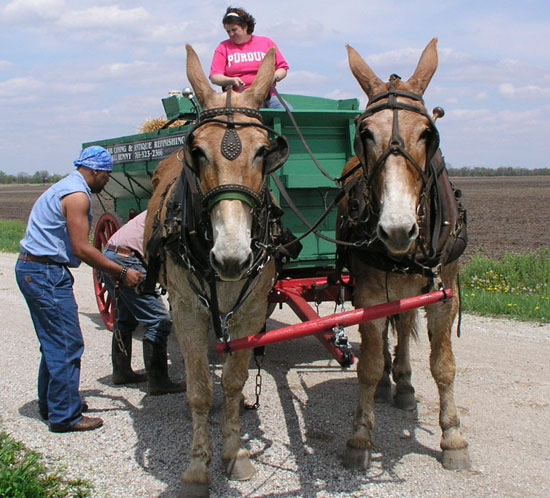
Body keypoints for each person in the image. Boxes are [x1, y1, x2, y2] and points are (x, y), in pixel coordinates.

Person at [15, 146, 143, 433]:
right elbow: (82, 248)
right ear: (95, 170)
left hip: (36, 269)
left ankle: (55, 403)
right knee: (66, 343)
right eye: (106, 175)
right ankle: (65, 416)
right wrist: (121, 270)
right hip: (44, 272)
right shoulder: (77, 196)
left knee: (54, 342)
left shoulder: (65, 187)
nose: (107, 181)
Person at [99, 210, 185, 395]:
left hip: (111, 255)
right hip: (128, 260)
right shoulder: (175, 212)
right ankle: (158, 382)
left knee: (126, 317)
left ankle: (121, 372)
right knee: (159, 320)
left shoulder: (160, 208)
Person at [209, 6, 290, 109]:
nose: (231, 34)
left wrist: (273, 77)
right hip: (236, 99)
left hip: (266, 97)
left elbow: (282, 68)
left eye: (234, 30)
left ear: (245, 27)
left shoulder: (266, 43)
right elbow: (215, 76)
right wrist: (231, 80)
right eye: (228, 31)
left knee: (287, 114)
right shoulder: (223, 47)